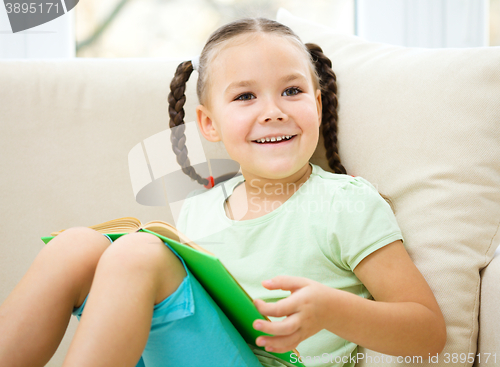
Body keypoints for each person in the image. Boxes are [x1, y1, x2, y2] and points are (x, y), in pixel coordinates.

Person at [0, 18, 446, 367]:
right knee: (76, 245)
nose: (272, 112)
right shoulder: (199, 211)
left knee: (139, 253)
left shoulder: (345, 203)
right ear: (208, 125)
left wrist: (332, 311)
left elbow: (427, 333)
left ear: (318, 103)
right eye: (245, 97)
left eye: (291, 91)